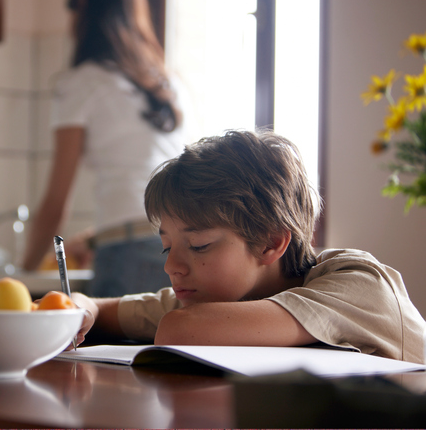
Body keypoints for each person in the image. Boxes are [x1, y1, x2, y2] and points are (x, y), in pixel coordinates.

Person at [70, 130, 426, 363]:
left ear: (271, 242)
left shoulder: (360, 284)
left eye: (198, 245)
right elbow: (110, 311)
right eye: (166, 247)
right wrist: (83, 306)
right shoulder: (228, 294)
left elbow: (180, 328)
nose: (171, 266)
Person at [20, 0, 190, 297]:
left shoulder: (82, 82)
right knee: (170, 349)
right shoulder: (168, 85)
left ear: (82, 5)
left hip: (129, 255)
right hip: (184, 245)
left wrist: (22, 272)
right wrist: (98, 236)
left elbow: (57, 200)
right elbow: (147, 184)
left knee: (116, 349)